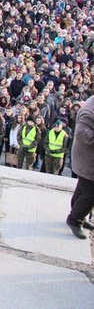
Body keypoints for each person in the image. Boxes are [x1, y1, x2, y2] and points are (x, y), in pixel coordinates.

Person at [67, 95, 94, 239]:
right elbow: (82, 133)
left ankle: (78, 215)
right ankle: (74, 220)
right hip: (87, 161)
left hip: (86, 159)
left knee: (82, 189)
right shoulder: (89, 111)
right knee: (90, 195)